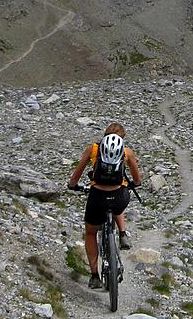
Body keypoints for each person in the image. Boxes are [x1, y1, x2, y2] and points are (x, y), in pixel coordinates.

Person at [68, 122, 142, 289]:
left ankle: (94, 276)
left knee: (90, 232)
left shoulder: (93, 149)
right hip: (118, 197)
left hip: (97, 197)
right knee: (118, 203)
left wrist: (73, 185)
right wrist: (134, 184)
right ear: (122, 138)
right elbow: (137, 180)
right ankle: (122, 233)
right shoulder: (126, 152)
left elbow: (76, 175)